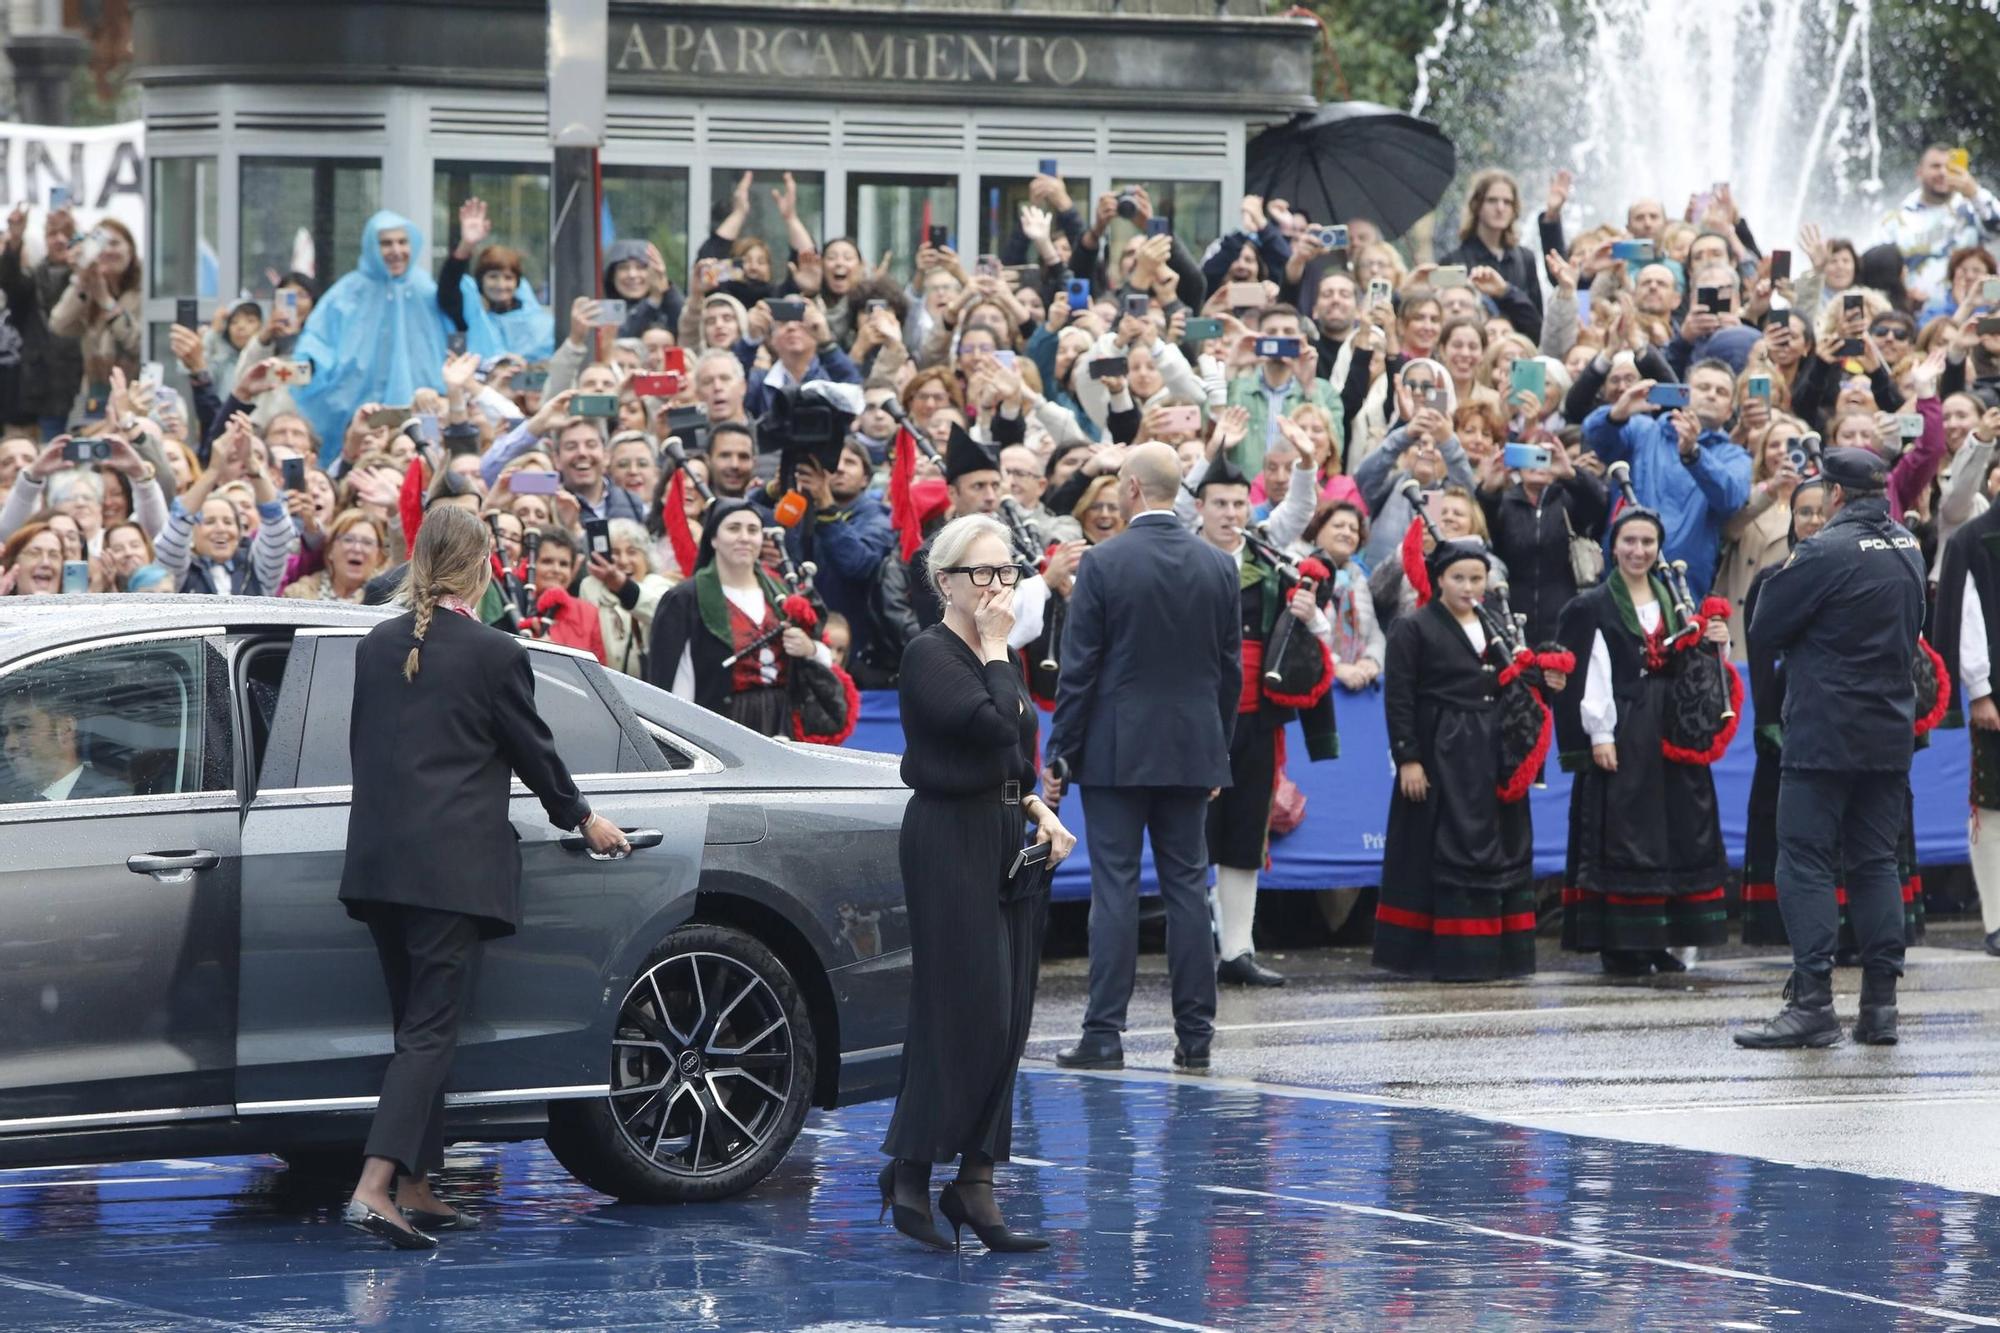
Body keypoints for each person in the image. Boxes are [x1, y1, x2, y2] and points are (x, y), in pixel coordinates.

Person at [338, 505, 627, 1249]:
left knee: (414, 1028)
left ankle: (417, 1183)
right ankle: (376, 1185)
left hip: (377, 866)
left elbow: (362, 753)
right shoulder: (495, 652)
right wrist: (582, 817)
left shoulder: (374, 645)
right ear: (483, 566)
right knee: (431, 1034)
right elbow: (535, 751)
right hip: (449, 872)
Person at [879, 513, 1075, 1255]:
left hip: (1003, 832)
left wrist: (1039, 810)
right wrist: (997, 649)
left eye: (1008, 573)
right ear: (946, 582)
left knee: (1013, 1012)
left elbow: (1017, 752)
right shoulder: (931, 652)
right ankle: (912, 1168)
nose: (999, 586)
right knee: (968, 1011)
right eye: (983, 574)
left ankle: (976, 1180)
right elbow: (994, 726)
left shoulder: (998, 656)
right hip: (946, 835)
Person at [1044, 442, 1239, 1075]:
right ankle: (1196, 1036)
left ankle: (1104, 1034)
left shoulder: (1104, 564)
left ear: (1131, 488)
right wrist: (1218, 750)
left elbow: (1081, 670)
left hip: (1116, 750)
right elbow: (1231, 672)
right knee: (1188, 888)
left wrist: (1060, 753)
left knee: (1116, 890)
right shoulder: (1218, 565)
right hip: (1191, 748)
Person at [1736, 449, 1925, 1048]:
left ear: (1837, 496)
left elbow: (1763, 628)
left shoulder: (1824, 550)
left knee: (1805, 860)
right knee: (1875, 864)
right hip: (1888, 730)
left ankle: (1813, 1001)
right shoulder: (1908, 547)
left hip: (1825, 730)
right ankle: (1880, 1008)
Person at [1553, 508, 1733, 975]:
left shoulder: (1674, 599)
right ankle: (1622, 942)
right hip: (1626, 725)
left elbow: (1695, 665)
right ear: (1614, 546)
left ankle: (1658, 938)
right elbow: (1593, 672)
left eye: (1648, 542)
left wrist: (1716, 641)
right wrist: (1601, 734)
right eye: (1629, 541)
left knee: (1673, 828)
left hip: (1671, 726)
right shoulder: (1593, 606)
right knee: (1627, 831)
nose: (1638, 551)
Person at [1374, 539, 1564, 980]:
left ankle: (1500, 954)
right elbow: (1398, 698)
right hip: (1443, 751)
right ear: (1439, 579)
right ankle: (1446, 956)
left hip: (1494, 752)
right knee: (1446, 844)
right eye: (1458, 577)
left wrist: (1545, 676)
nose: (1467, 586)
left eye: (1476, 578)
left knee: (1502, 843)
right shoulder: (1414, 627)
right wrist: (1408, 758)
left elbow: (1517, 680)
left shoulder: (1494, 622)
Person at [1193, 460, 1338, 987]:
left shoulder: (1270, 564)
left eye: (1238, 504)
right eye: (1220, 504)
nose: (1231, 514)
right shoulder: (1183, 560)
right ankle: (1192, 948)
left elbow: (1318, 635)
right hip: (1194, 719)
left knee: (1244, 835)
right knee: (1191, 837)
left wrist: (1309, 615)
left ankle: (1237, 951)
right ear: (1199, 508)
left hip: (1254, 720)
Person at [646, 498, 840, 737]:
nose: (745, 537)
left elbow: (825, 656)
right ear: (713, 538)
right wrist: (681, 736)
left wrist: (809, 648)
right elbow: (674, 679)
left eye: (753, 530)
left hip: (782, 721)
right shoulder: (685, 599)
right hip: (721, 723)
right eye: (733, 528)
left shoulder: (783, 592)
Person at [291, 211, 449, 465]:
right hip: (357, 411)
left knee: (424, 467)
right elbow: (317, 342)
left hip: (421, 411)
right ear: (371, 247)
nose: (396, 250)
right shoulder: (347, 292)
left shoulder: (425, 290)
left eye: (402, 241)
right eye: (386, 243)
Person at [1581, 363, 1752, 596]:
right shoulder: (1644, 431)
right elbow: (1595, 437)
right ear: (1684, 394)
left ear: (1730, 411)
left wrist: (1693, 455)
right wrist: (1616, 414)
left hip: (1685, 582)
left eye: (1721, 392)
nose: (1711, 394)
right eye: (1703, 387)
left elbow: (1731, 499)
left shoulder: (1734, 456)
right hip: (1624, 573)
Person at [1932, 466, 2000, 958]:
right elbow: (1968, 613)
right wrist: (1979, 689)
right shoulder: (1977, 539)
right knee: (1993, 808)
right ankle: (1998, 919)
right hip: (1997, 693)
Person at [1880, 145, 2000, 307]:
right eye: (1936, 166)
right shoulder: (1897, 218)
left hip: (1976, 310)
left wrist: (1975, 193)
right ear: (1920, 171)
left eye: (1949, 167)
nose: (1943, 172)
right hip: (1917, 314)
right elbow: (1878, 268)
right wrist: (1901, 293)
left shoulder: (1973, 207)